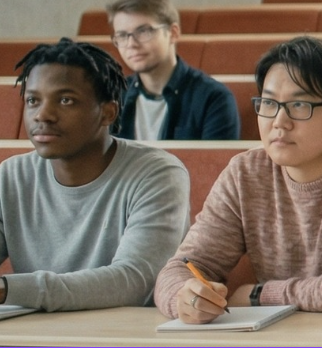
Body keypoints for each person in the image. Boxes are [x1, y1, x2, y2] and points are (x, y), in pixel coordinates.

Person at [156, 37, 322, 323]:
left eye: (299, 105)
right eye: (269, 103)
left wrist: (260, 296)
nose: (279, 121)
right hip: (283, 336)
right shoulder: (245, 173)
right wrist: (185, 297)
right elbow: (183, 267)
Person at [0, 39, 190, 311]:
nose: (43, 114)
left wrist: (8, 290)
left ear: (108, 112)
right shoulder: (11, 175)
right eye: (33, 100)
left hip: (125, 335)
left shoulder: (158, 174)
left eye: (66, 100)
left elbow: (134, 281)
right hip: (35, 331)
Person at [106, 0, 239, 141]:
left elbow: (212, 163)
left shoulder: (214, 98)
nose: (131, 44)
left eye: (143, 31)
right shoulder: (113, 97)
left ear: (173, 33)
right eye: (122, 35)